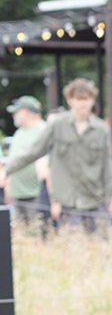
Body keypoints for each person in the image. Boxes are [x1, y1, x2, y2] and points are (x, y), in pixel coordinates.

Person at [0, 78, 112, 232]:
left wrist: (111, 200)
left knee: (100, 250)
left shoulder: (101, 129)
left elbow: (108, 168)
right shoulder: (57, 125)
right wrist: (6, 170)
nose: (83, 104)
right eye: (78, 99)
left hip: (95, 200)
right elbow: (33, 152)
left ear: (92, 100)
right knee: (71, 250)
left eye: (87, 99)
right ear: (70, 100)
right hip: (68, 203)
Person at [3, 95, 54, 234]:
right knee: (21, 236)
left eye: (16, 112)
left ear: (26, 111)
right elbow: (15, 160)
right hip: (18, 194)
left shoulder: (44, 130)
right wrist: (9, 185)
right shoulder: (19, 132)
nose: (14, 115)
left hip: (37, 194)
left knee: (39, 235)